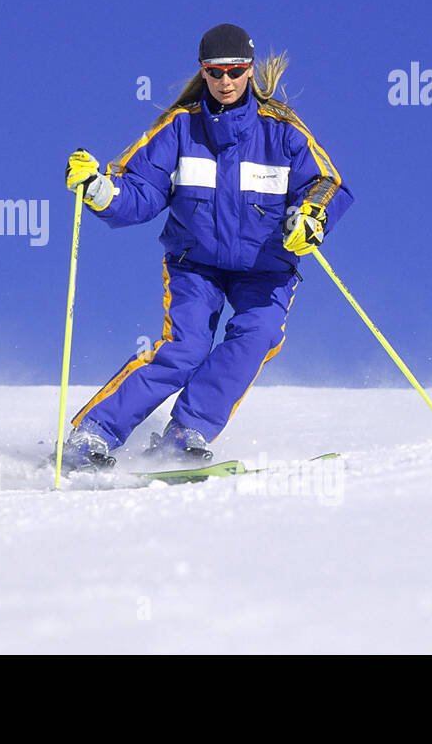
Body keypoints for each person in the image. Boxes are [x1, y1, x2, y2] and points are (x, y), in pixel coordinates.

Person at [60, 24, 353, 470]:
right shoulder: (181, 128)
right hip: (195, 265)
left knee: (259, 334)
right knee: (185, 349)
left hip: (266, 266)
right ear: (203, 72)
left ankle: (185, 430)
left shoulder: (283, 131)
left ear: (250, 71)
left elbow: (326, 182)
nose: (226, 81)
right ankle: (93, 433)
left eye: (235, 71)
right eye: (215, 72)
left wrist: (312, 216)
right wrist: (98, 188)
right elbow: (139, 191)